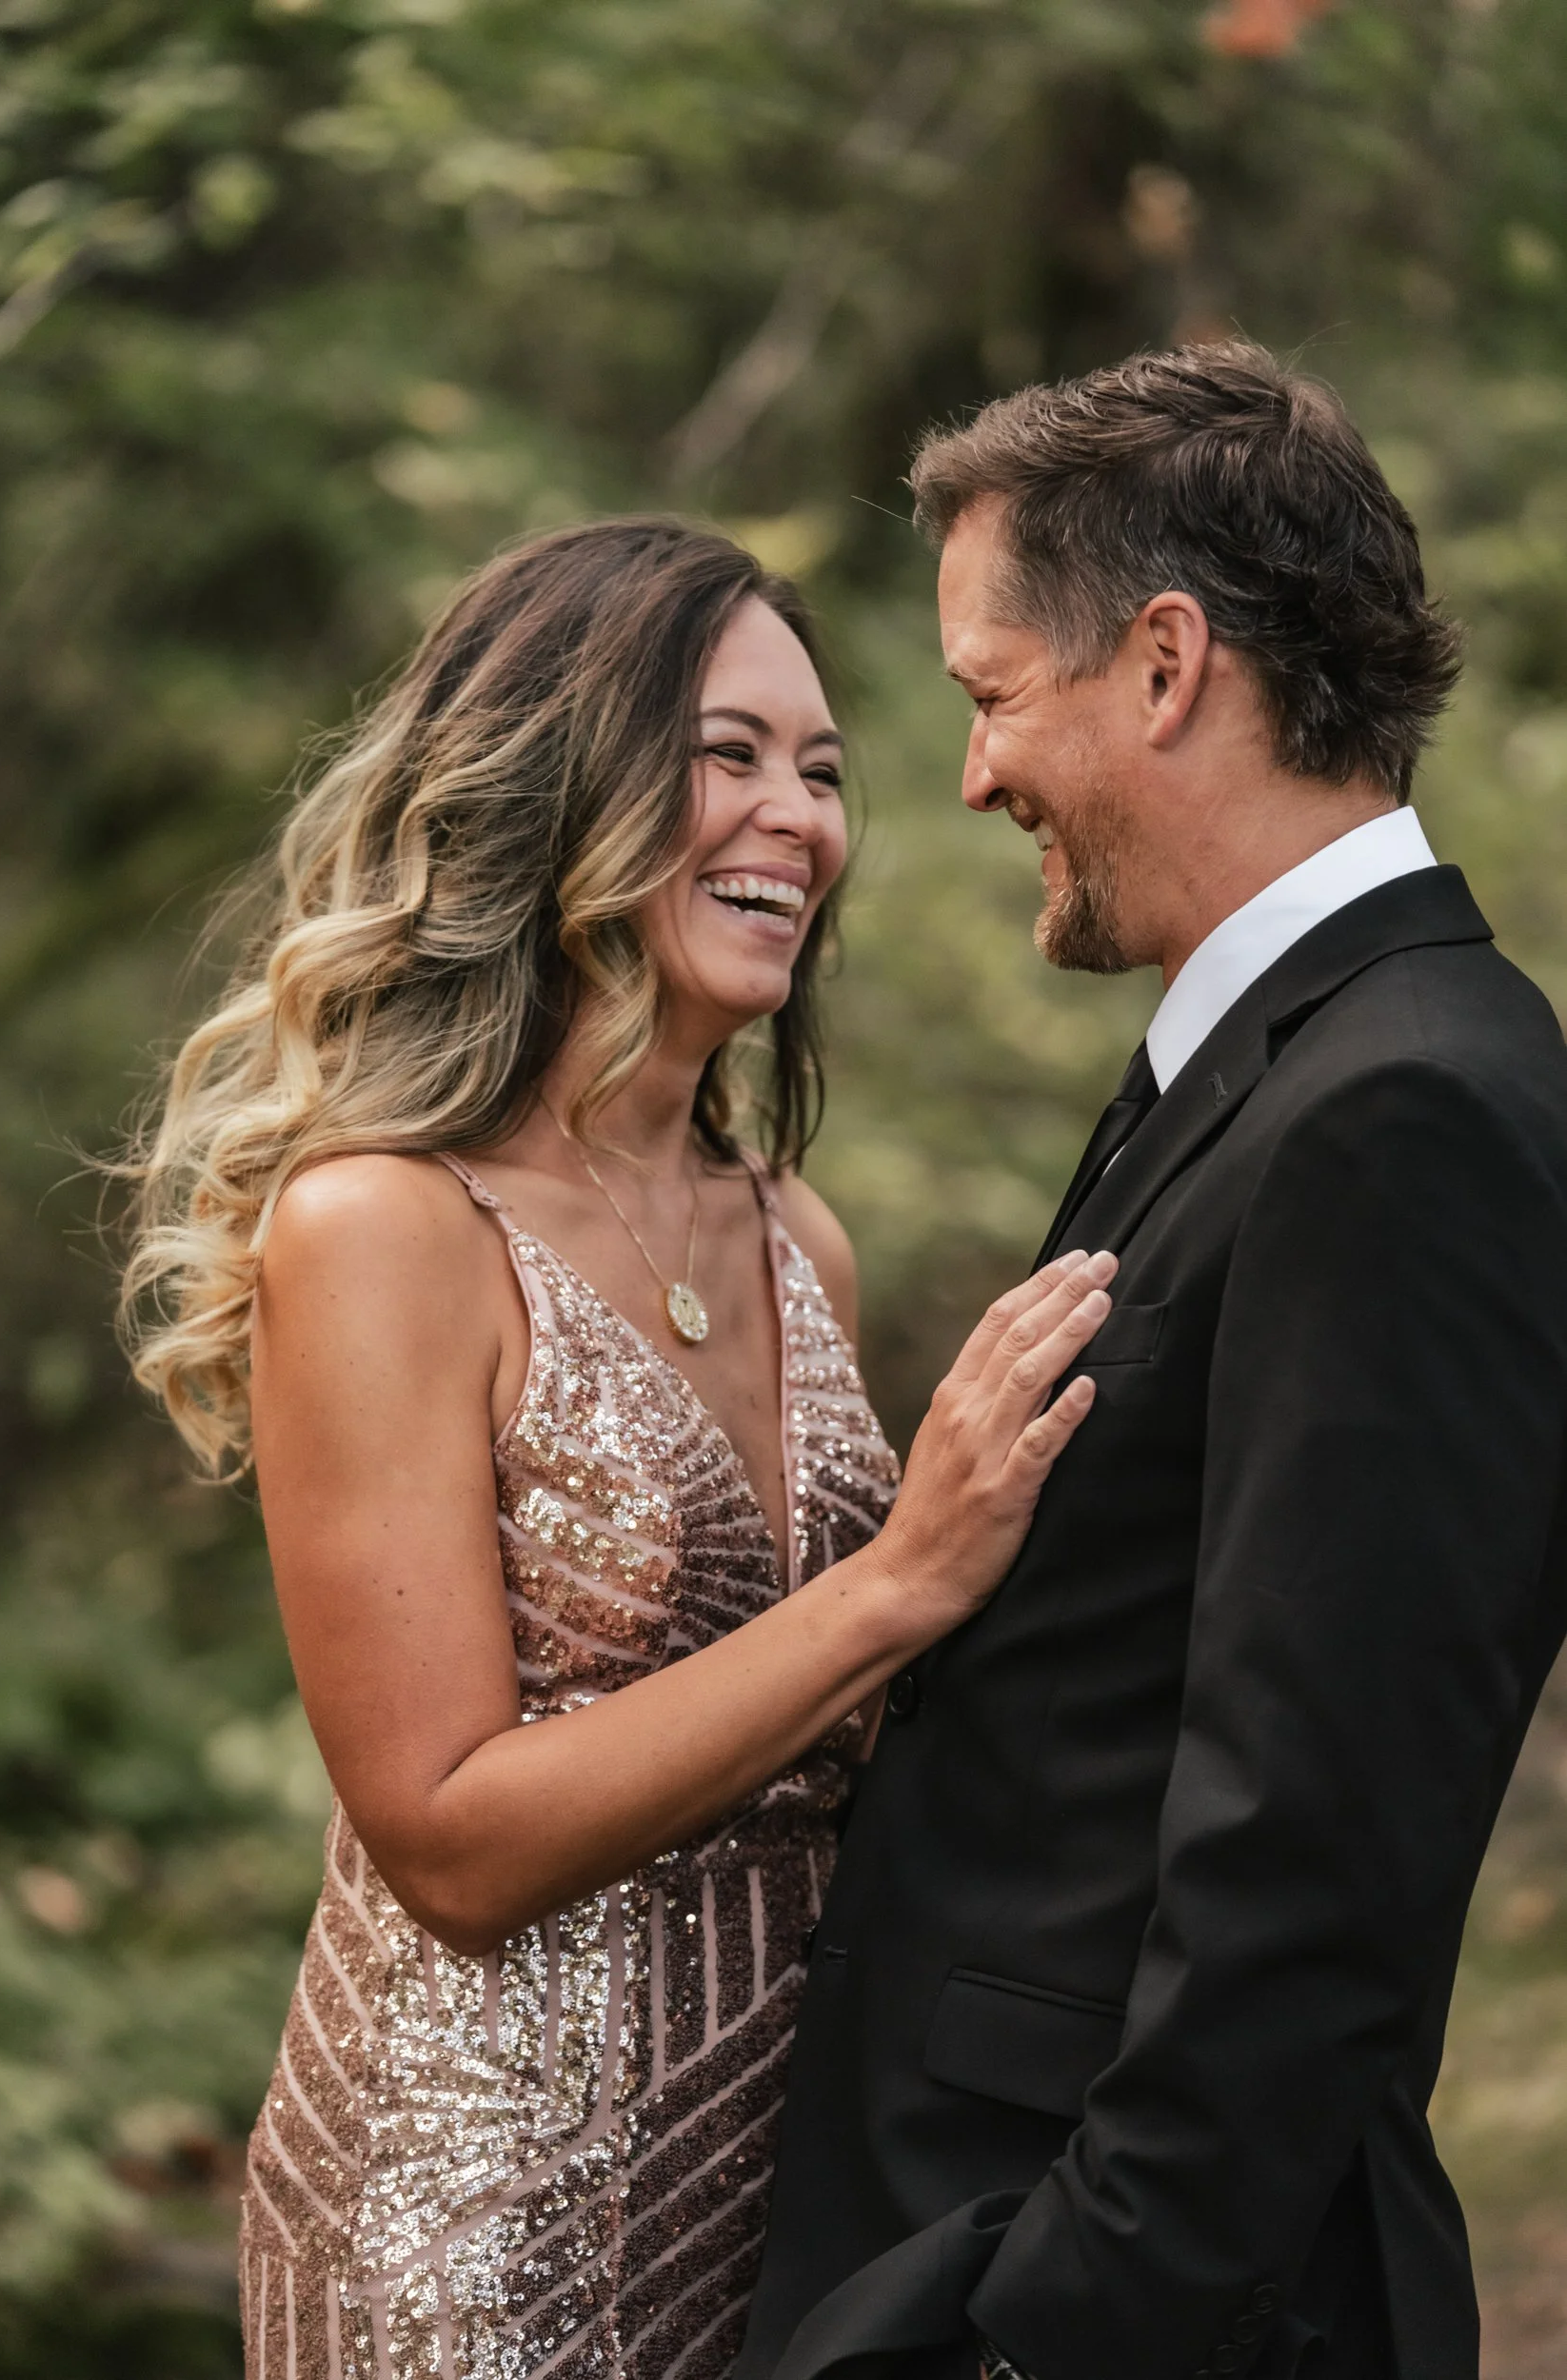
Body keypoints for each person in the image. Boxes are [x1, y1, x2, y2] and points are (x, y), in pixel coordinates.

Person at [117, 518, 1113, 2380]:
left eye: (820, 771)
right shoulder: (386, 1226)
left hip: (788, 2194)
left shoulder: (794, 1237)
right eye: (727, 754)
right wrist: (901, 1580)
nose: (794, 818)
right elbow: (447, 1839)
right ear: (560, 782)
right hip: (468, 2237)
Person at [736, 342, 1567, 2380]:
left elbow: (1315, 1860)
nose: (971, 775)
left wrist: (1038, 2334)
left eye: (991, 693)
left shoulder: (1406, 1106)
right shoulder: (1275, 1059)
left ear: (1167, 662)